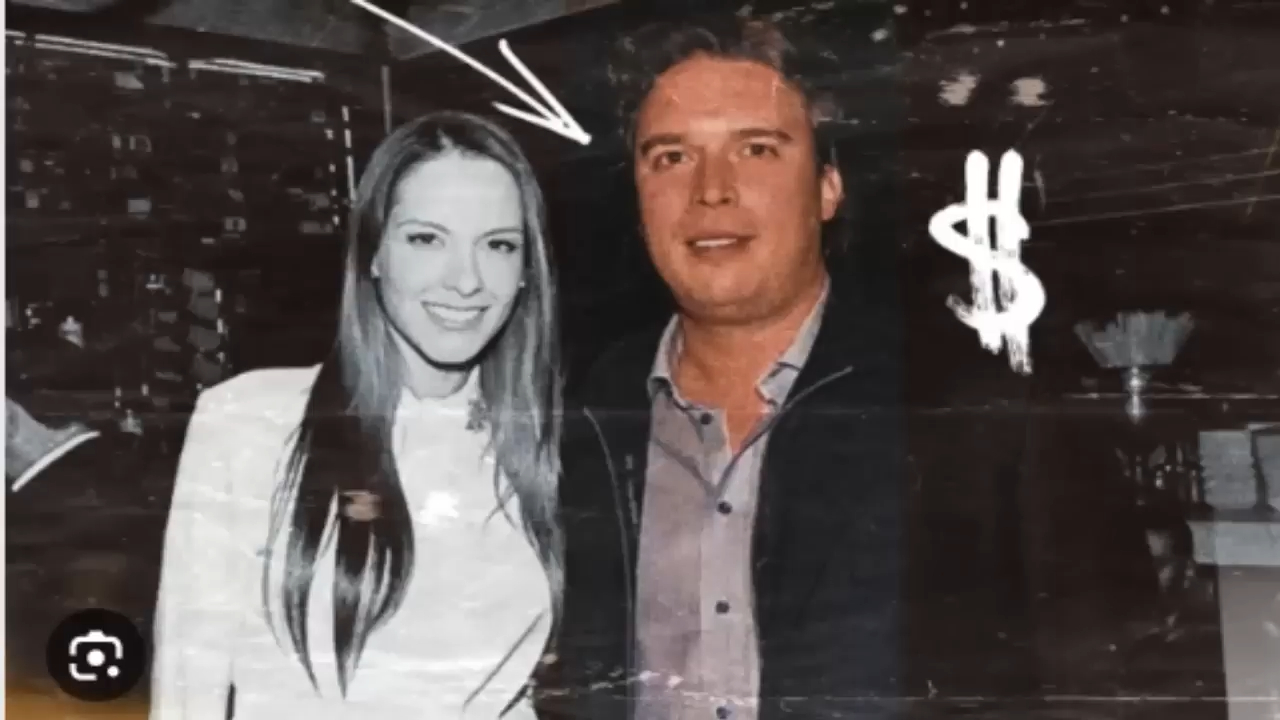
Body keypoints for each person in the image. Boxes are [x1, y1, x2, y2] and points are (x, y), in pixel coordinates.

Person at [540, 16, 1047, 720]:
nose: (711, 190)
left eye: (756, 149)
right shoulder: (580, 420)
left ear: (828, 188)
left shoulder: (962, 411)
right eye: (672, 157)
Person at [149, 112, 564, 720]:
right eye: (426, 239)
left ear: (527, 270)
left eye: (498, 245)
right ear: (372, 254)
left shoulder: (532, 447)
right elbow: (188, 691)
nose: (467, 280)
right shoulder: (249, 422)